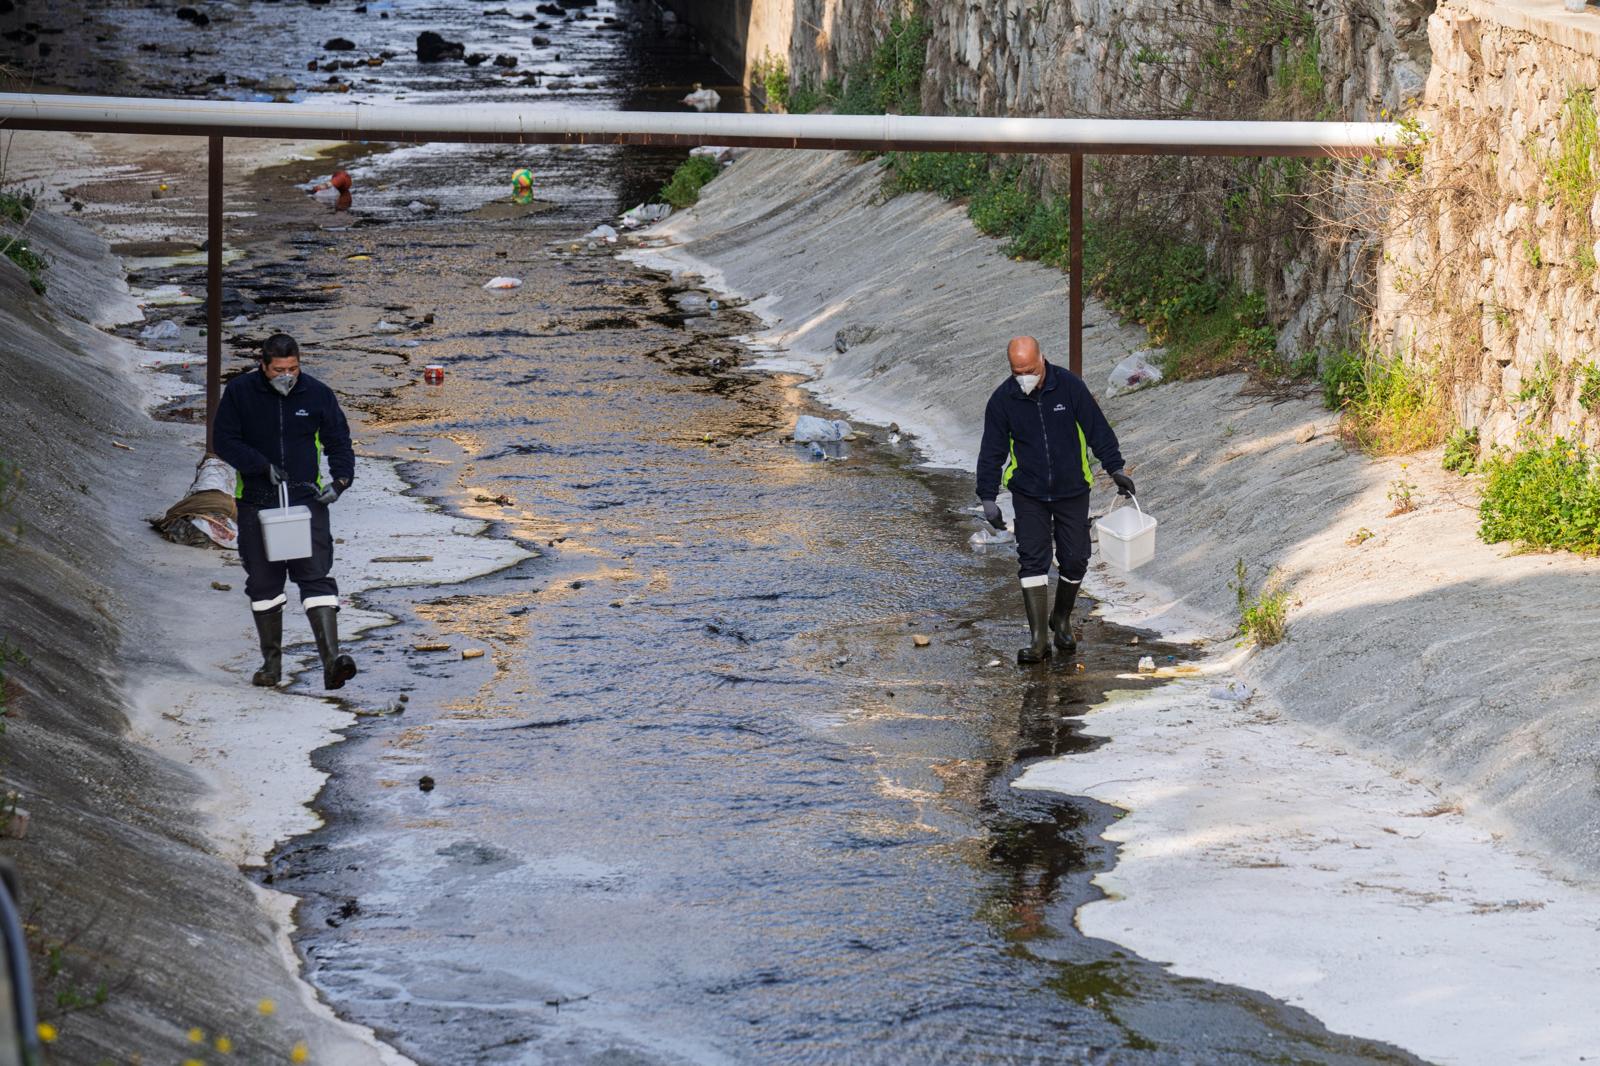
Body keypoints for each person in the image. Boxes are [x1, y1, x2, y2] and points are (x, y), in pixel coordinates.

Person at [976, 336, 1136, 664]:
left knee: (1075, 558)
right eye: (1017, 372)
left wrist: (1116, 469)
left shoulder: (1069, 387)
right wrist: (987, 497)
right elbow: (992, 451)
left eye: (1029, 370)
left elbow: (1098, 430)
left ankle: (1060, 618)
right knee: (1032, 559)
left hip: (1072, 488)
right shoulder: (1003, 400)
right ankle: (1038, 641)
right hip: (1028, 492)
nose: (1024, 377)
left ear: (1042, 359)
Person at [212, 333, 359, 690]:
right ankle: (271, 666)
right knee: (264, 584)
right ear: (263, 366)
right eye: (279, 370)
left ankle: (332, 662)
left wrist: (340, 482)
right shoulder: (240, 393)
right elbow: (224, 440)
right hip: (257, 501)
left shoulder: (318, 394)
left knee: (316, 576)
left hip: (306, 500)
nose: (287, 376)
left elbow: (338, 441)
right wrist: (260, 466)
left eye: (293, 368)